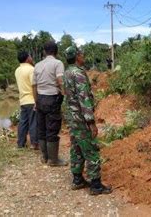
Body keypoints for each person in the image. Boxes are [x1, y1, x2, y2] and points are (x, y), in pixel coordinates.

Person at [63, 46, 112, 195]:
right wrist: (91, 122)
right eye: (81, 53)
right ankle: (96, 185)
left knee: (77, 147)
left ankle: (77, 179)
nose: (83, 55)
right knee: (91, 149)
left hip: (72, 117)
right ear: (77, 56)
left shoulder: (66, 72)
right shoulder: (78, 74)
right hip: (81, 119)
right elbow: (84, 99)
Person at [33, 41, 67, 166]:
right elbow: (60, 80)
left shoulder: (37, 65)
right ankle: (53, 160)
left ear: (44, 52)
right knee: (52, 129)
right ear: (56, 51)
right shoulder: (57, 63)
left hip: (40, 99)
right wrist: (64, 94)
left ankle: (44, 157)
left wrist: (36, 101)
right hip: (52, 99)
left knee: (42, 129)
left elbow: (34, 86)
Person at [14, 51, 38, 149]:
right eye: (30, 56)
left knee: (23, 122)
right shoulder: (31, 69)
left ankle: (21, 143)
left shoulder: (17, 70)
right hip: (31, 100)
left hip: (23, 100)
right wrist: (37, 101)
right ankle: (34, 143)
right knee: (33, 122)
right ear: (27, 58)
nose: (31, 58)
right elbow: (34, 86)